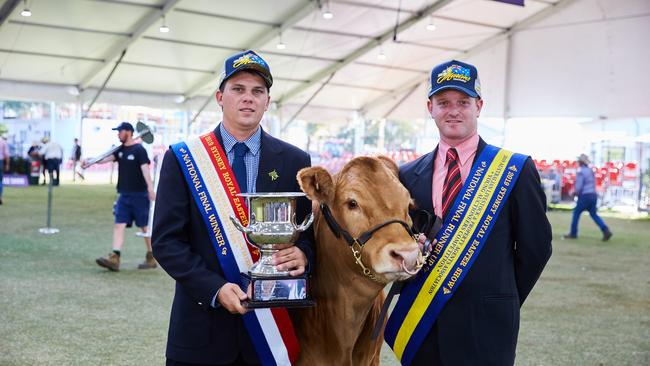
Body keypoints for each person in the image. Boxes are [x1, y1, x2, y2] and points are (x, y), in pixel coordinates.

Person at [385, 60, 553, 366]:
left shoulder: (514, 169)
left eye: (463, 102)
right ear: (430, 107)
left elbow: (536, 249)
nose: (453, 110)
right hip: (424, 322)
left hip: (488, 324)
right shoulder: (407, 175)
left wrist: (502, 298)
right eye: (444, 102)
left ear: (479, 106)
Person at [152, 50, 314, 366]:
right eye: (238, 89)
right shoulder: (184, 159)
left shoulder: (296, 161)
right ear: (220, 96)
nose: (248, 99)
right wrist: (214, 288)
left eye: (258, 91)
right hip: (201, 331)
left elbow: (309, 234)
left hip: (273, 335)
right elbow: (166, 242)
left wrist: (304, 254)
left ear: (268, 101)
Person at [90, 122, 157, 271]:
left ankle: (151, 257)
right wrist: (89, 161)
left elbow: (146, 170)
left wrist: (150, 189)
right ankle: (115, 257)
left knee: (145, 227)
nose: (118, 134)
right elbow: (104, 159)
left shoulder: (139, 150)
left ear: (129, 132)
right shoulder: (119, 150)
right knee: (118, 224)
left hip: (140, 195)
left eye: (120, 131)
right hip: (123, 195)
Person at [564, 154, 612, 241]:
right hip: (593, 195)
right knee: (593, 214)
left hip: (585, 196)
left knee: (576, 213)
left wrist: (574, 192)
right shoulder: (590, 170)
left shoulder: (581, 171)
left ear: (580, 162)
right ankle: (605, 230)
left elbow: (579, 186)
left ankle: (573, 233)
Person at [0, 134, 9, 205]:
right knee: (0, 181)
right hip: (0, 161)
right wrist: (7, 164)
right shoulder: (3, 141)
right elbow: (7, 155)